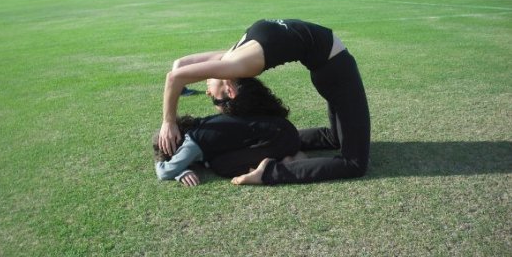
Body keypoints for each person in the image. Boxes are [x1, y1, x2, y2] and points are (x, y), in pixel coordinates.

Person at [158, 19, 370, 185]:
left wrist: (169, 122)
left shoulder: (233, 58)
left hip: (330, 70)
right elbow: (176, 75)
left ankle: (280, 148)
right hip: (336, 70)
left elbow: (177, 71)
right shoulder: (237, 61)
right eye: (213, 97)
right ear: (230, 89)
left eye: (214, 98)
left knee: (335, 138)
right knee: (354, 164)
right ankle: (270, 172)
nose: (207, 93)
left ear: (230, 88)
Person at [153, 78, 301, 186]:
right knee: (215, 159)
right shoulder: (199, 126)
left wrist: (178, 170)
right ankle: (286, 156)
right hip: (283, 131)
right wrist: (182, 169)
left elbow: (165, 172)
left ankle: (278, 165)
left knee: (219, 165)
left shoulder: (192, 141)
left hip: (282, 139)